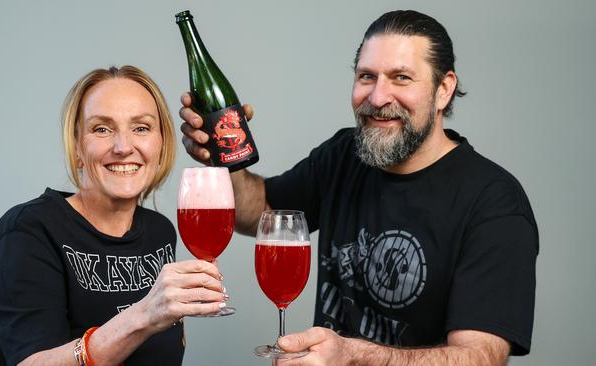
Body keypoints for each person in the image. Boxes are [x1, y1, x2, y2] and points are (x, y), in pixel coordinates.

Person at [179, 10, 538, 365]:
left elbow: (479, 358)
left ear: (443, 90)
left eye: (401, 78)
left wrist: (352, 355)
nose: (378, 97)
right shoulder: (344, 155)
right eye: (367, 76)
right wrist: (224, 156)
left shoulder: (494, 202)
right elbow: (260, 212)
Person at [0, 65, 229, 366]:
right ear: (78, 147)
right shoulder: (27, 232)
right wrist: (144, 315)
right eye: (102, 129)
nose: (123, 147)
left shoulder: (160, 232)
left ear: (161, 144)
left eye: (141, 128)